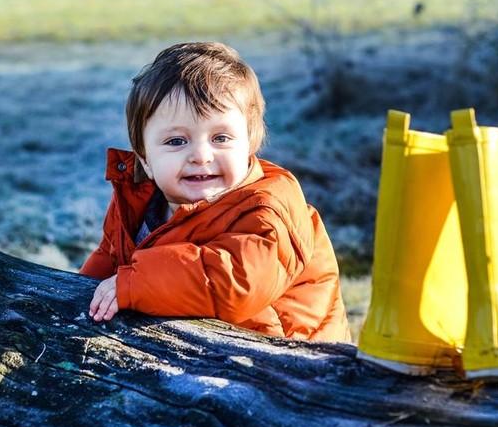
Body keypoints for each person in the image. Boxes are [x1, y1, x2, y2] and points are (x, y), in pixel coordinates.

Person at [81, 41, 350, 343]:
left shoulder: (268, 207)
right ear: (145, 159)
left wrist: (133, 284)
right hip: (209, 346)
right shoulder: (138, 204)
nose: (201, 155)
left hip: (290, 359)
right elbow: (110, 256)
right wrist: (75, 296)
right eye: (176, 142)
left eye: (220, 138)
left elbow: (236, 282)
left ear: (249, 146)